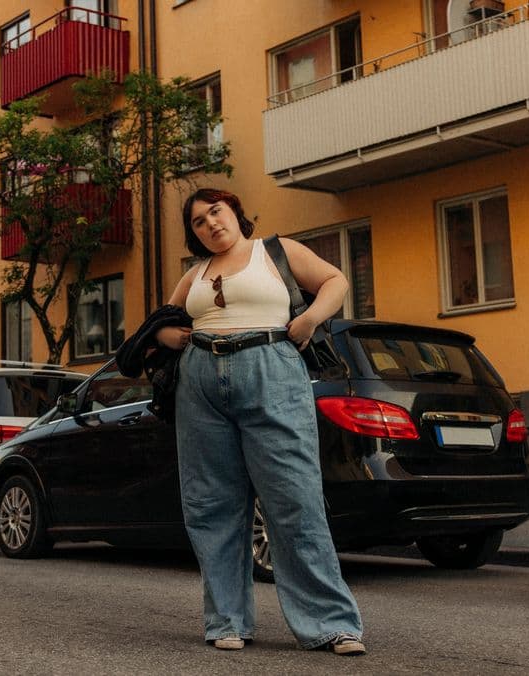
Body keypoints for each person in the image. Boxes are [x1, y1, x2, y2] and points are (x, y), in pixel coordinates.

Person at [157, 188, 366, 656]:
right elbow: (162, 322)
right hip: (200, 384)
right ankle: (226, 620)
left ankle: (331, 624)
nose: (210, 224)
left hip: (270, 367)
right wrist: (168, 334)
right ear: (193, 235)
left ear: (234, 211)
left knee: (294, 495)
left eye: (216, 212)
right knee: (211, 503)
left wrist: (310, 318)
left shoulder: (274, 250)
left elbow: (335, 281)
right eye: (198, 222)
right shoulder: (194, 274)